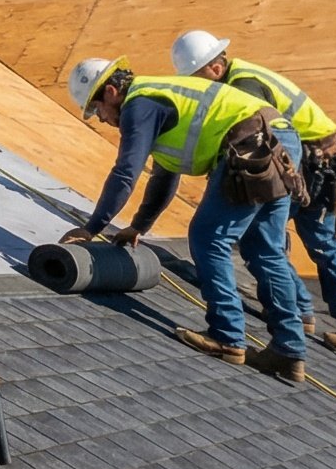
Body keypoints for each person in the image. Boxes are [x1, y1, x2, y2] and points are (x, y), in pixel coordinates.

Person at [61, 56, 309, 382]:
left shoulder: (140, 104)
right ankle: (289, 351)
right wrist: (139, 226)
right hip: (280, 138)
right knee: (266, 248)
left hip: (251, 142)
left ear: (110, 92)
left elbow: (125, 173)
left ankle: (227, 336)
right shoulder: (163, 101)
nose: (103, 120)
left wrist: (92, 229)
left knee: (209, 237)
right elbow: (165, 177)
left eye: (97, 110)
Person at [171, 31, 336, 358]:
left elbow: (255, 139)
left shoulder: (242, 87)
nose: (201, 89)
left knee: (314, 243)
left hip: (314, 165)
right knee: (271, 237)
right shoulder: (243, 75)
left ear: (215, 70)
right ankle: (303, 314)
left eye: (199, 79)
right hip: (303, 163)